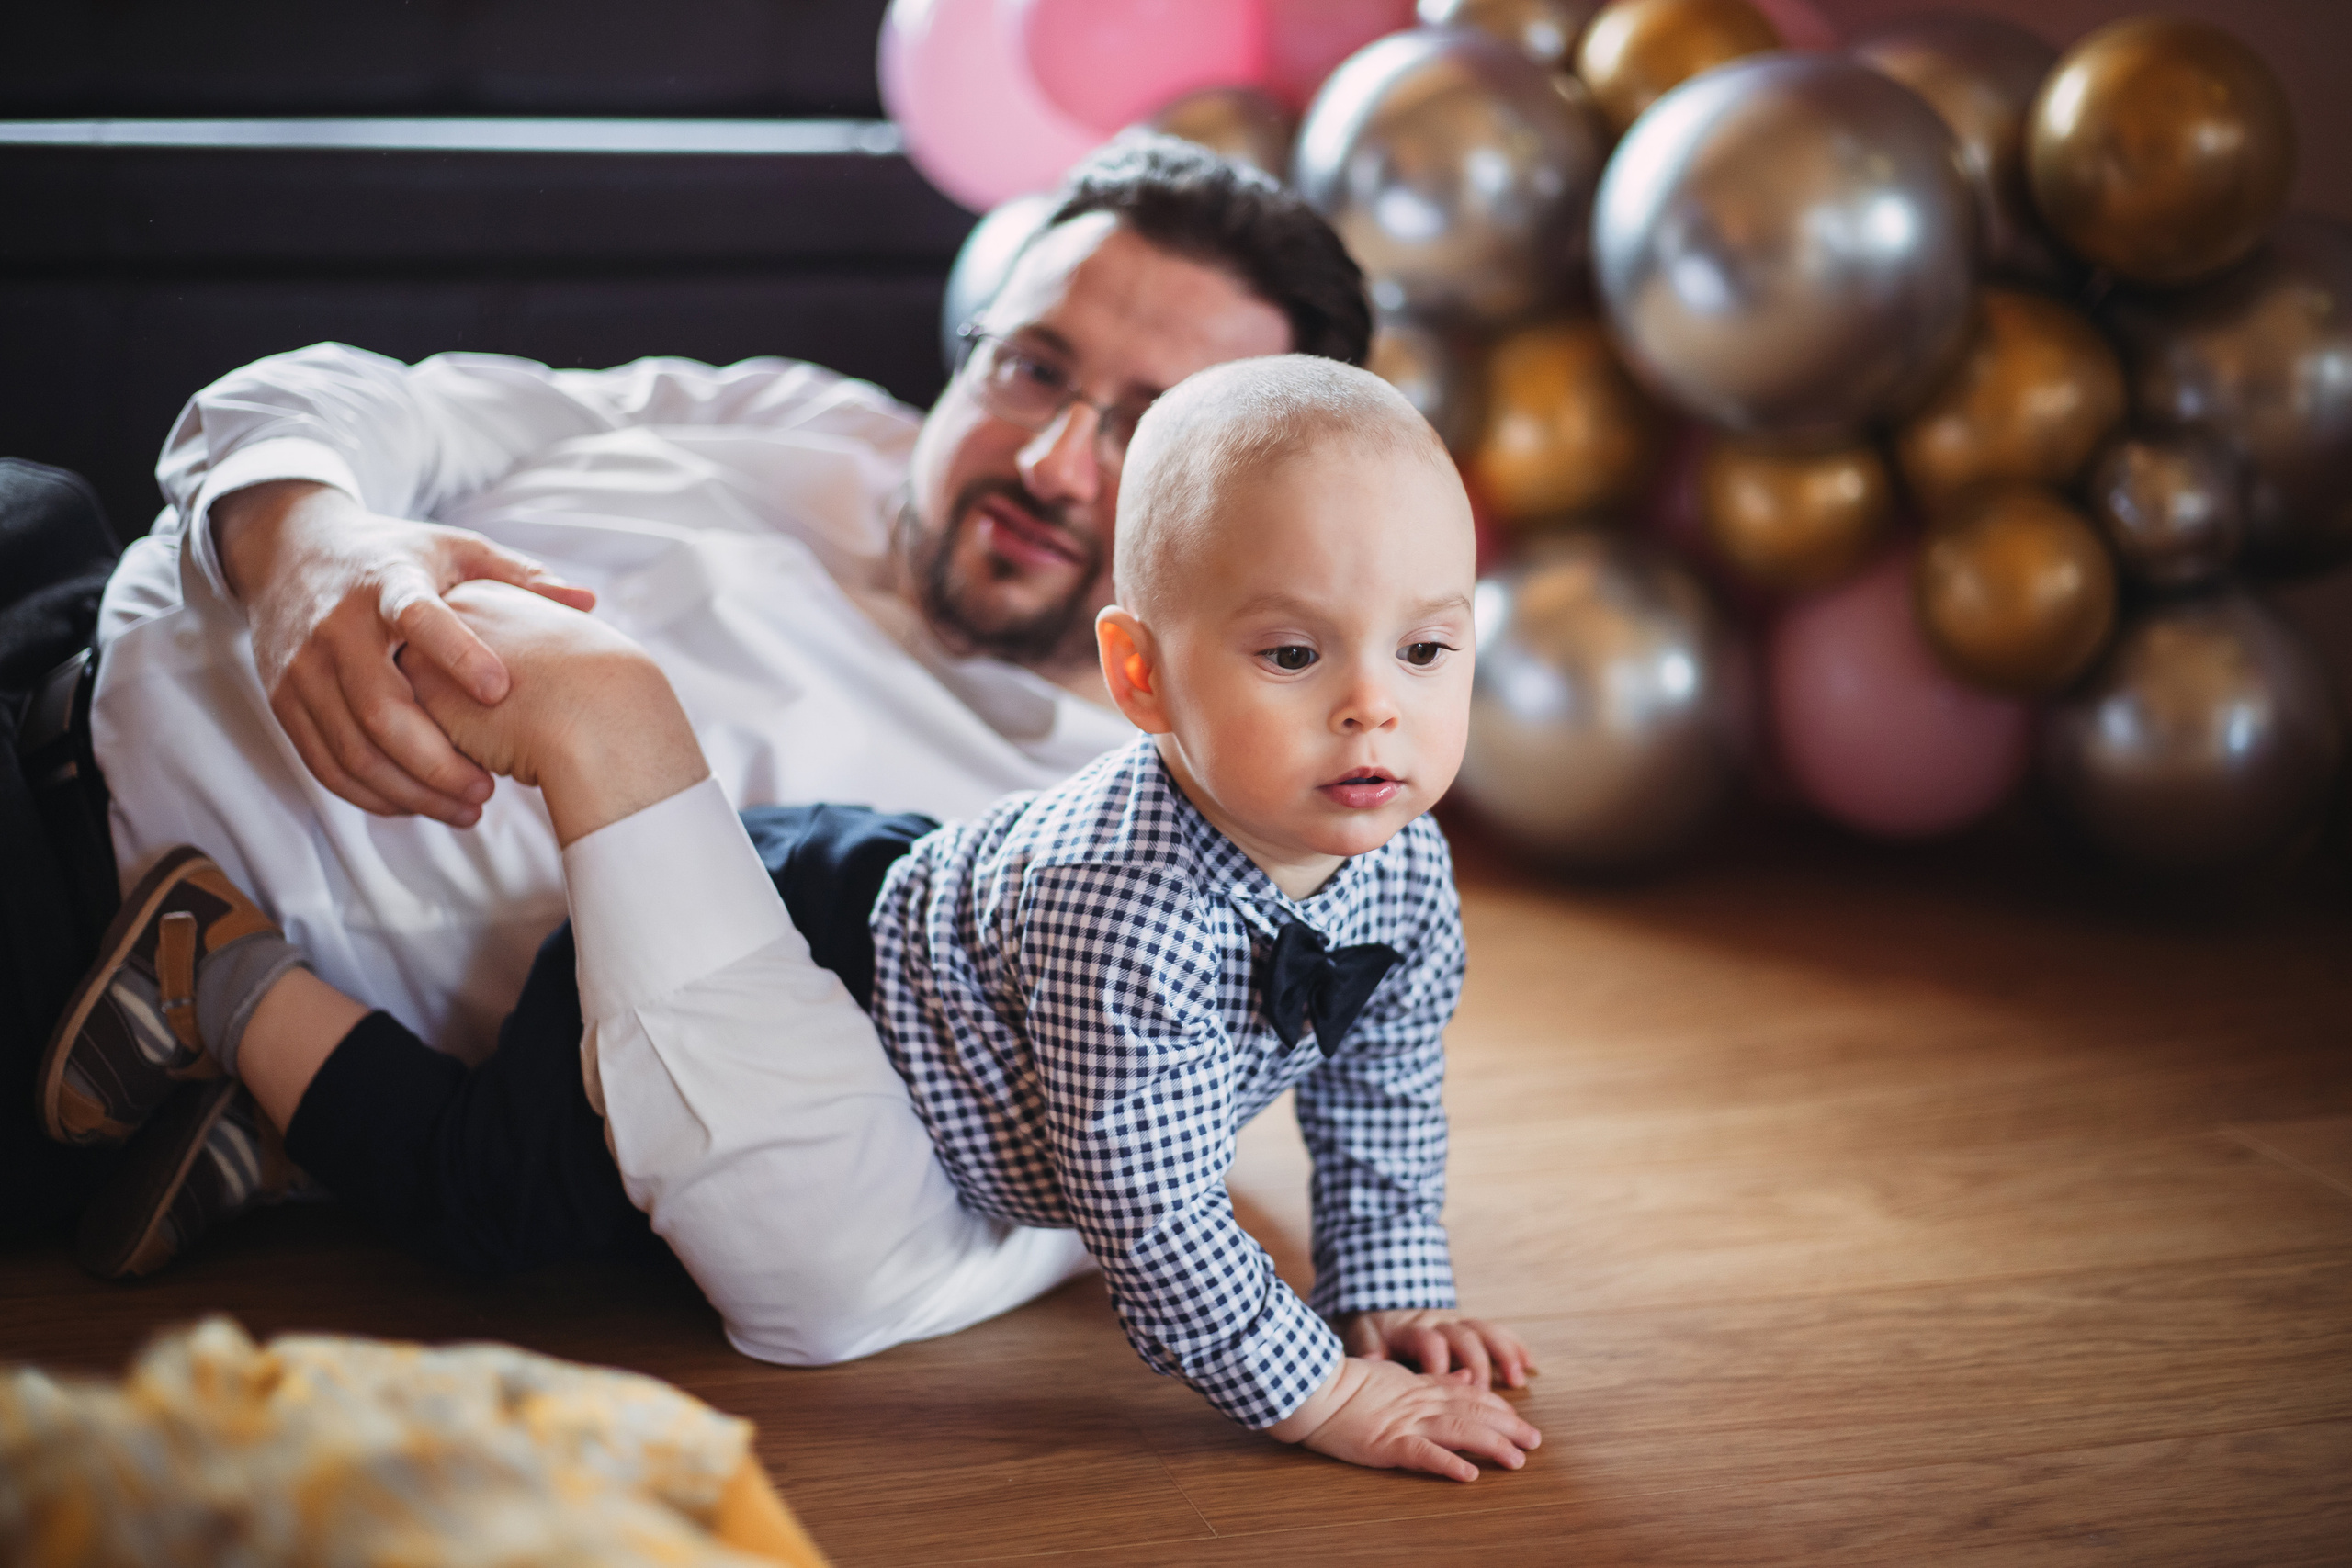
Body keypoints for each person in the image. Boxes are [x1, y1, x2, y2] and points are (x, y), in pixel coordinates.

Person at [45, 355, 1544, 1482]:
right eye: (1296, 653)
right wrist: (1328, 1393)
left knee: (641, 1237)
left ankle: (268, 1128)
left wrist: (1388, 1288)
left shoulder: (1399, 868)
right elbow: (1146, 1214)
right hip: (784, 940)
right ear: (1142, 682)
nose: (1375, 706)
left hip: (897, 988)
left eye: (1427, 649)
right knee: (495, 1209)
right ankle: (215, 969)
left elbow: (1381, 1085)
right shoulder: (1129, 914)